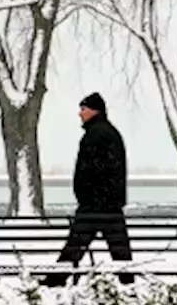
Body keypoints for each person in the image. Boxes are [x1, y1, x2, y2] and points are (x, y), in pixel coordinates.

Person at [44, 92, 134, 286]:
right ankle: (129, 285)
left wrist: (84, 194)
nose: (80, 113)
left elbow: (90, 170)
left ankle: (54, 281)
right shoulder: (109, 132)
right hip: (109, 204)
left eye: (83, 109)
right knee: (119, 251)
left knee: (75, 246)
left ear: (94, 110)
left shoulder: (95, 134)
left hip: (94, 205)